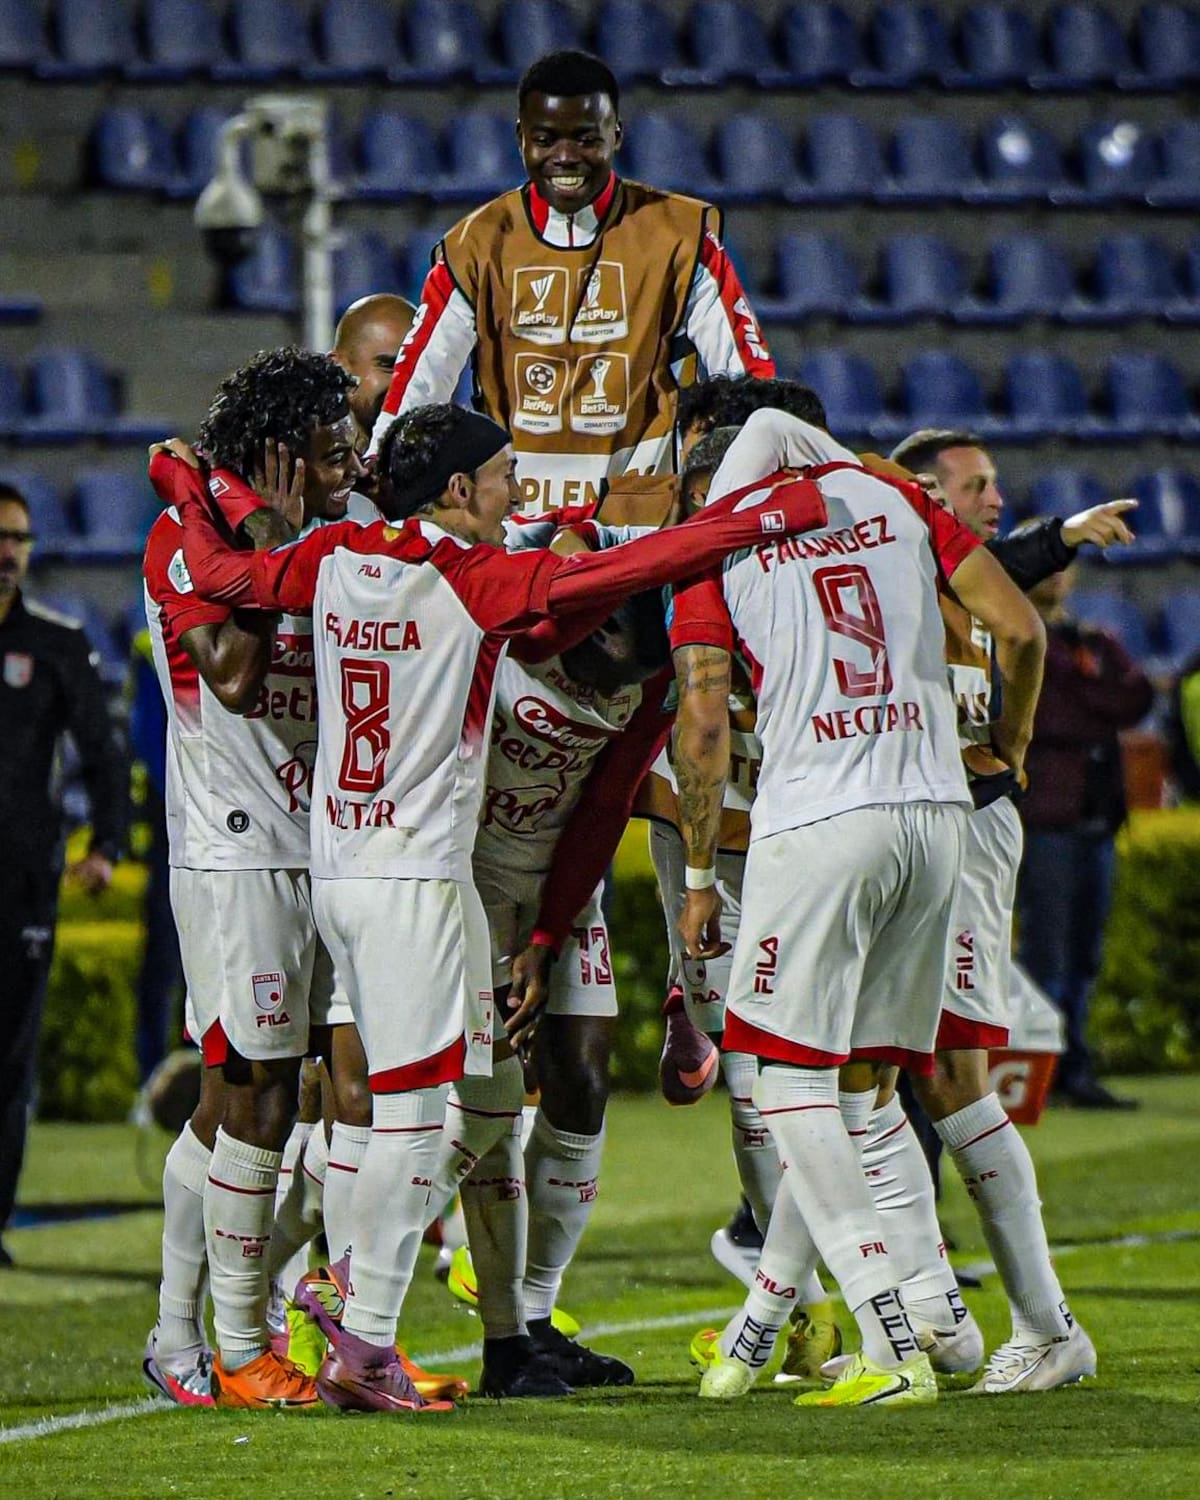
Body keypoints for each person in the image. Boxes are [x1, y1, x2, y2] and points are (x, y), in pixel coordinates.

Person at [175, 400, 830, 1414]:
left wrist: (187, 489)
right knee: (417, 1118)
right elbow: (609, 577)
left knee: (450, 1110)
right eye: (502, 478)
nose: (515, 494)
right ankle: (360, 1333)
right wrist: (764, 520)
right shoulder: (469, 577)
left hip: (337, 872)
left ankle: (375, 1316)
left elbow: (219, 578)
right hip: (420, 880)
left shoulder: (337, 552)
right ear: (457, 491)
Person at [670, 406, 1045, 1410]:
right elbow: (1021, 626)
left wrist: (701, 875)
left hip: (820, 816)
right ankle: (863, 1322)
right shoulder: (898, 501)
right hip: (935, 818)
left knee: (784, 1085)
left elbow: (704, 724)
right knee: (856, 1094)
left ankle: (889, 1340)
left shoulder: (719, 535)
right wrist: (1010, 745)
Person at [841, 427, 1136, 1394]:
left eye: (995, 486)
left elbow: (1022, 614)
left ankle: (1040, 1326)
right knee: (875, 1069)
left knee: (947, 1071)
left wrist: (1006, 754)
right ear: (924, 492)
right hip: (932, 823)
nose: (993, 500)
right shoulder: (908, 560)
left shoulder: (957, 569)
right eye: (976, 487)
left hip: (968, 825)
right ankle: (935, 1315)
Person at [141, 347, 366, 1410]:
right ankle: (234, 1347)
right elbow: (232, 678)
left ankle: (184, 1333)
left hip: (317, 840)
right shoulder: (181, 541)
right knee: (257, 1096)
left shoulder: (340, 532)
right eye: (330, 452)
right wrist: (274, 552)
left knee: (255, 1098)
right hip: (237, 849)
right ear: (277, 459)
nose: (350, 465)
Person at [371, 49, 774, 511]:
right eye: (545, 139)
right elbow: (421, 384)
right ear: (521, 138)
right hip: (516, 527)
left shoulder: (683, 237)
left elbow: (749, 382)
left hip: (641, 529)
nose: (565, 157)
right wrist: (383, 470)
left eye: (586, 139)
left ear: (616, 134)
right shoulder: (475, 247)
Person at [0, 480, 128, 1270]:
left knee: (8, 1059)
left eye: (17, 538)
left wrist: (106, 844)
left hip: (20, 883)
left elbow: (102, 753)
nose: (6, 553)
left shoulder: (52, 641)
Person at [1017, 559, 1153, 1110]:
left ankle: (1074, 1067)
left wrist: (1086, 696)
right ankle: (1040, 1073)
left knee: (1083, 956)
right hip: (1047, 819)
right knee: (1046, 956)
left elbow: (1137, 698)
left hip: (1097, 818)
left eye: (1065, 566)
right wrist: (1098, 697)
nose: (1058, 575)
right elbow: (1049, 714)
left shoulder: (1086, 640)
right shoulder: (1020, 634)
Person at [330, 293, 416, 446]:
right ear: (339, 370)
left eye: (417, 371)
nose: (406, 384)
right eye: (389, 367)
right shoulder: (304, 462)